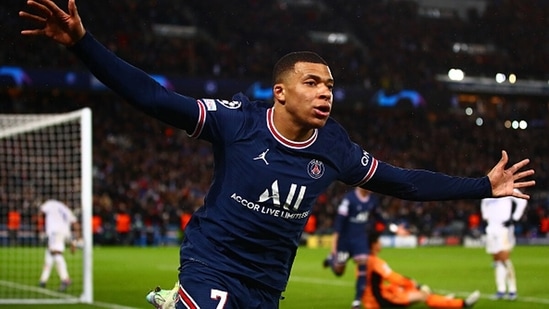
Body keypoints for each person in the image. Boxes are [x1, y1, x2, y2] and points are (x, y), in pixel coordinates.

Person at [19, 1, 535, 308]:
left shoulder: (334, 146)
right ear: (281, 92)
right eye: (312, 82)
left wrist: (481, 185)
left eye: (330, 85)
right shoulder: (237, 120)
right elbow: (153, 98)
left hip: (268, 283)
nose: (326, 93)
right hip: (211, 262)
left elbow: (404, 181)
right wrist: (82, 44)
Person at [362, 232, 480, 308]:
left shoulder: (364, 260)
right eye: (379, 241)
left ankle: (443, 300)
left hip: (371, 298)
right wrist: (416, 284)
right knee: (423, 295)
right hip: (378, 302)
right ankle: (462, 304)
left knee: (406, 289)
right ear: (374, 245)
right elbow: (394, 277)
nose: (381, 243)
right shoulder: (376, 262)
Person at [323, 187, 383, 309]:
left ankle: (356, 301)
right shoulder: (349, 199)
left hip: (360, 240)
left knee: (363, 266)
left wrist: (377, 236)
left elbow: (379, 218)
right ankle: (331, 260)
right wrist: (334, 246)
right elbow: (338, 224)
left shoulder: (372, 200)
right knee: (339, 271)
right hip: (345, 241)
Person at [480, 188, 528, 300]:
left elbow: (522, 201)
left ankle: (512, 290)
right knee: (497, 260)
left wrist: (514, 218)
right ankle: (501, 289)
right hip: (491, 229)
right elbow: (484, 205)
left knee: (504, 258)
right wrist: (486, 216)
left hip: (504, 229)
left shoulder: (508, 189)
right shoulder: (487, 191)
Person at [38, 198, 80, 292]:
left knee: (56, 253)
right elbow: (76, 224)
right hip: (64, 233)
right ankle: (43, 280)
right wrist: (75, 240)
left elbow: (40, 212)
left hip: (54, 232)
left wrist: (40, 228)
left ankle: (65, 279)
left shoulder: (50, 203)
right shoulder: (66, 209)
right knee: (49, 253)